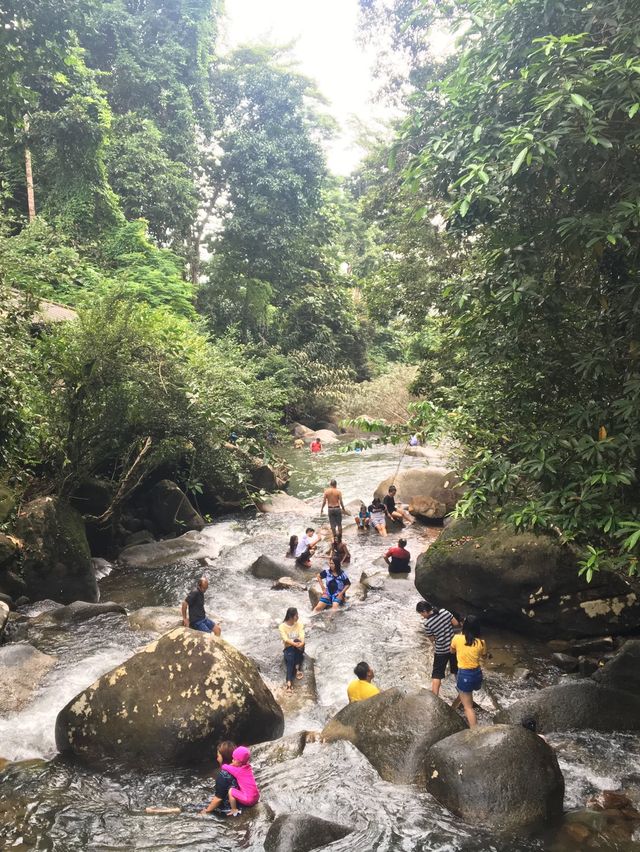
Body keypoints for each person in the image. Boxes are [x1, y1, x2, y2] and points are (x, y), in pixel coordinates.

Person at [416, 600, 460, 698]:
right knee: (457, 670)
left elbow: (432, 639)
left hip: (441, 650)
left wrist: (439, 634)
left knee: (437, 674)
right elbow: (456, 623)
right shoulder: (445, 612)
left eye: (421, 613)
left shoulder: (427, 624)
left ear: (424, 611)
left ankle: (435, 698)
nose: (422, 616)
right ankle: (462, 692)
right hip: (453, 647)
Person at [451, 615, 487, 728]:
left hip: (464, 674)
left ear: (464, 626)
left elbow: (451, 651)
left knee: (468, 707)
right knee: (463, 692)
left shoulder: (457, 638)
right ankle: (452, 709)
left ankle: (474, 731)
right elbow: (484, 656)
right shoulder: (481, 642)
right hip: (477, 674)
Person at [199, 741, 237, 815]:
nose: (217, 759)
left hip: (226, 808)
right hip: (236, 802)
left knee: (194, 808)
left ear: (224, 757)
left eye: (218, 756)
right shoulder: (238, 769)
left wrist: (207, 811)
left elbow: (218, 799)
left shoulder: (223, 775)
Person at [222, 746, 260, 817]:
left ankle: (234, 810)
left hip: (249, 800)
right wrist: (235, 764)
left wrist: (230, 765)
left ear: (239, 763)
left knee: (231, 791)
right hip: (256, 797)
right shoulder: (248, 767)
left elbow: (224, 766)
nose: (232, 761)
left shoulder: (238, 771)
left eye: (234, 759)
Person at [279, 607, 305, 691]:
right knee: (290, 658)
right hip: (289, 648)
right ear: (291, 616)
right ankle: (290, 680)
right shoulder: (282, 626)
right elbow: (285, 639)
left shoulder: (299, 624)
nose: (298, 617)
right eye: (296, 615)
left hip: (299, 646)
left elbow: (302, 635)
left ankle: (289, 682)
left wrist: (302, 642)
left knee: (297, 641)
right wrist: (294, 644)